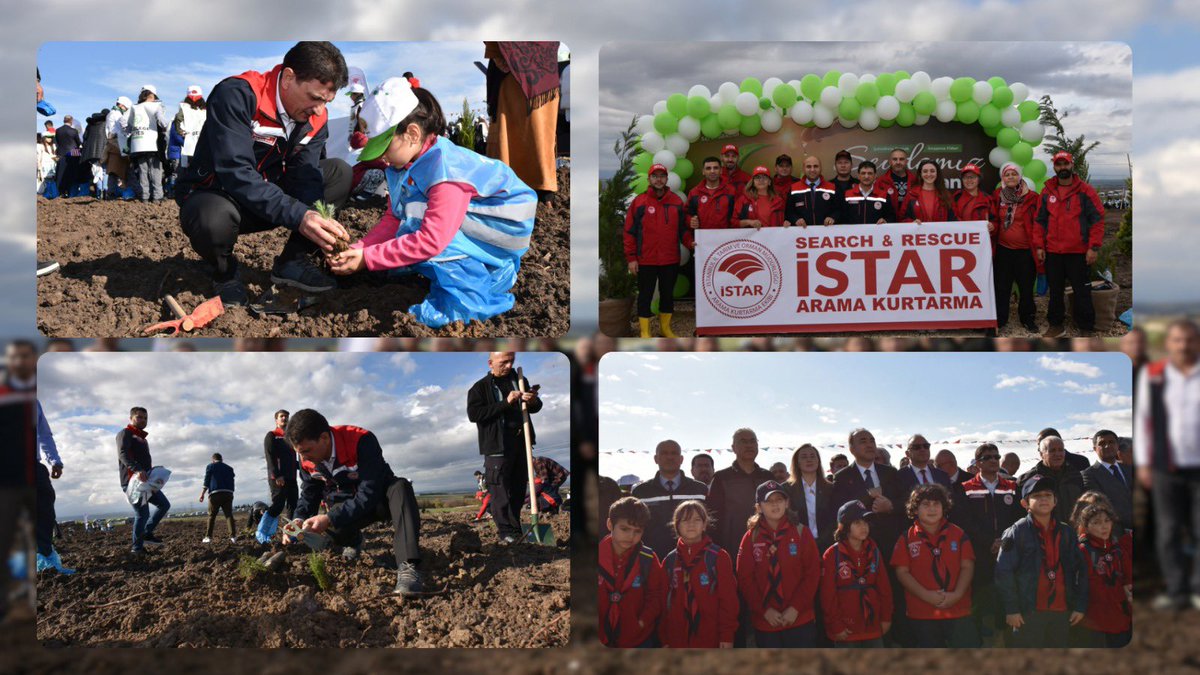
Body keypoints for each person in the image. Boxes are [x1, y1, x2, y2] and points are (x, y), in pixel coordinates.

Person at [329, 78, 538, 328]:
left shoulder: (445, 171)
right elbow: (394, 218)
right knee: (409, 227)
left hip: (501, 232)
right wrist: (361, 248)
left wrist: (368, 258)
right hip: (472, 225)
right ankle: (467, 263)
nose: (382, 157)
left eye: (384, 147)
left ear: (412, 134)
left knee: (430, 241)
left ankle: (467, 297)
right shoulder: (405, 165)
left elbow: (432, 240)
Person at [175, 41, 354, 305]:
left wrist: (320, 225)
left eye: (327, 101)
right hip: (220, 196)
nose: (319, 109)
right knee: (210, 218)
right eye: (315, 98)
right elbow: (236, 171)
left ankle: (293, 261)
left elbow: (305, 175)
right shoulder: (238, 95)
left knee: (338, 172)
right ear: (288, 78)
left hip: (268, 200)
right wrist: (299, 215)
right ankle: (224, 274)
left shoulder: (317, 117)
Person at [285, 408, 425, 595]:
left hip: (379, 499)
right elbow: (309, 493)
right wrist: (298, 519)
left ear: (324, 438)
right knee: (333, 529)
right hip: (346, 505)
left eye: (306, 451)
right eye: (299, 453)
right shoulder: (306, 458)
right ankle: (354, 541)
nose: (303, 458)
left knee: (401, 488)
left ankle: (408, 566)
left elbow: (369, 492)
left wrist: (331, 517)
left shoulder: (361, 440)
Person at [1136, 319, 1200, 610]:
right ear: (1168, 343)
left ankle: (1197, 590)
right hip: (1166, 467)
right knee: (1169, 531)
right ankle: (1176, 590)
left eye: (1189, 340)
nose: (1183, 346)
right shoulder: (1154, 375)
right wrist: (1144, 464)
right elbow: (1143, 420)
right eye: (1177, 340)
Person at [995, 474, 1088, 647]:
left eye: (1048, 495)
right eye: (1037, 496)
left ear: (1055, 501)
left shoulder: (1067, 532)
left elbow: (1081, 570)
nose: (1043, 499)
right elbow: (1004, 572)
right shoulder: (1017, 532)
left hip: (1062, 610)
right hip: (1029, 612)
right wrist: (1012, 609)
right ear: (1025, 503)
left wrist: (1080, 605)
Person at [467, 351, 542, 545]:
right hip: (497, 447)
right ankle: (505, 532)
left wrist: (533, 401)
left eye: (512, 361)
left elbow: (535, 407)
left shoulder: (519, 379)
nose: (509, 366)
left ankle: (515, 529)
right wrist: (506, 402)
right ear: (490, 363)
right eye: (504, 362)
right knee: (500, 492)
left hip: (521, 443)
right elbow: (475, 415)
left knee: (518, 489)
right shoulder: (479, 388)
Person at [891, 483, 978, 647]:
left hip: (957, 608)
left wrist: (957, 594)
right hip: (923, 612)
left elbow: (967, 566)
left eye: (936, 504)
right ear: (915, 509)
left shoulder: (958, 534)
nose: (932, 509)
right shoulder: (906, 538)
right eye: (926, 504)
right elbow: (902, 572)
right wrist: (926, 595)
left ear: (944, 507)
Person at [736, 480, 821, 647]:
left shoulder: (801, 532)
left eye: (779, 500)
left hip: (799, 618)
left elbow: (812, 573)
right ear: (759, 507)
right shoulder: (751, 538)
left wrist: (796, 607)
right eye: (769, 501)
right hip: (767, 621)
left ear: (787, 503)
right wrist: (764, 610)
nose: (775, 505)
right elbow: (745, 578)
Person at [1035, 151, 1106, 337]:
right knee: (1055, 292)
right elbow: (1039, 221)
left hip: (1078, 252)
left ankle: (1086, 328)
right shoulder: (1047, 191)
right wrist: (1039, 246)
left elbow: (1097, 219)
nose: (1062, 168)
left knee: (1082, 291)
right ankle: (1056, 325)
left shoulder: (1085, 190)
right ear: (1054, 167)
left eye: (1065, 164)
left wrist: (1093, 247)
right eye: (1058, 165)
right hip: (1053, 252)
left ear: (1072, 164)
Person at [958, 443, 1023, 643]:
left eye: (996, 456)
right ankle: (979, 640)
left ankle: (1004, 638)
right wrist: (989, 542)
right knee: (979, 598)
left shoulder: (1012, 486)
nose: (993, 460)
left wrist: (1004, 540)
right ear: (978, 463)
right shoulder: (966, 488)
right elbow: (965, 521)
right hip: (979, 553)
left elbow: (1018, 517)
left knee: (1005, 596)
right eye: (987, 457)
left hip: (1007, 550)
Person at [484, 41, 560, 202]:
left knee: (536, 130)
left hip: (524, 69)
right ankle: (542, 189)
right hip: (531, 70)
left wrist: (498, 54)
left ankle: (516, 188)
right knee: (536, 131)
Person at [624, 163, 692, 338]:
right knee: (645, 295)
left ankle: (665, 329)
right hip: (645, 259)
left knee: (667, 295)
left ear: (667, 179)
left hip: (670, 259)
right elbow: (629, 232)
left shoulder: (676, 202)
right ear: (649, 179)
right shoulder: (639, 202)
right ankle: (645, 331)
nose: (658, 179)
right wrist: (631, 258)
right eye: (655, 176)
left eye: (662, 176)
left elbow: (683, 230)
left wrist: (691, 243)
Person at [658, 500, 738, 648]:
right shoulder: (670, 561)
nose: (691, 524)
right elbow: (663, 603)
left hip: (711, 637)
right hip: (677, 639)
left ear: (704, 524)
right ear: (677, 525)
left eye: (697, 519)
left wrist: (727, 635)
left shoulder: (718, 557)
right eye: (685, 520)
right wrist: (664, 638)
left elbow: (729, 601)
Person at [820, 500, 893, 647]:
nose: (863, 527)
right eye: (857, 523)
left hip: (872, 626)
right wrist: (836, 625)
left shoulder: (874, 551)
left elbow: (884, 588)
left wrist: (886, 618)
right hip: (846, 629)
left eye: (865, 522)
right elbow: (827, 594)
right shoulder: (832, 554)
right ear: (844, 527)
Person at [598, 496, 665, 647]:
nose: (630, 536)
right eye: (624, 529)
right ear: (610, 524)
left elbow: (656, 596)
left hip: (638, 639)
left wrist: (641, 622)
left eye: (637, 531)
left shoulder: (648, 558)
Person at [830, 429, 903, 554]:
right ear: (852, 449)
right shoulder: (842, 477)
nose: (869, 445)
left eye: (872, 441)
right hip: (860, 546)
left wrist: (891, 506)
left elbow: (904, 501)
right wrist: (868, 494)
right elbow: (841, 510)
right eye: (863, 441)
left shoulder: (890, 472)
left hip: (892, 542)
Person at [631, 440, 708, 558]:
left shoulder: (700, 490)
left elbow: (708, 525)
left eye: (674, 453)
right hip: (653, 558)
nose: (669, 457)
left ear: (681, 459)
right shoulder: (641, 492)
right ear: (656, 459)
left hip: (694, 557)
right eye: (664, 453)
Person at [706, 428, 774, 557]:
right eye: (743, 441)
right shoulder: (721, 477)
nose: (749, 445)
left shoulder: (768, 477)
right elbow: (712, 516)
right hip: (732, 548)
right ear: (733, 448)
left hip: (767, 546)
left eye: (752, 441)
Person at [991, 162, 1042, 333]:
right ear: (1002, 178)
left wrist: (1039, 245)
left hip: (1025, 251)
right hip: (1003, 250)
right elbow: (994, 219)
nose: (1010, 177)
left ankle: (1027, 318)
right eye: (1007, 174)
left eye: (1014, 174)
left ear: (1020, 176)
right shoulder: (998, 195)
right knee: (1002, 287)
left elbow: (1039, 223)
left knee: (1026, 287)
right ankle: (1000, 319)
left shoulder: (1032, 197)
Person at [1074, 501, 1132, 647]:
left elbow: (1128, 579)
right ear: (1086, 527)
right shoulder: (1082, 551)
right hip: (1093, 621)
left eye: (1107, 521)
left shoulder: (1118, 550)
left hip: (1119, 618)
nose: (1104, 526)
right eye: (1097, 522)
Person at [116, 406, 170, 554]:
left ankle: (146, 533)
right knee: (142, 514)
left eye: (145, 418)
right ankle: (137, 548)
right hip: (132, 482)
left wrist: (152, 472)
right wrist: (137, 470)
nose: (143, 420)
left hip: (146, 482)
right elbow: (123, 454)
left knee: (164, 505)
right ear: (131, 418)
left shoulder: (142, 439)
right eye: (139, 417)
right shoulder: (125, 433)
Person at [1017, 435, 1086, 523]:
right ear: (1041, 454)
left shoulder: (1075, 475)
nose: (1057, 454)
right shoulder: (1028, 479)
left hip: (1074, 529)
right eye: (1052, 450)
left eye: (1061, 450)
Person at [783, 444, 835, 554]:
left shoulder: (831, 488)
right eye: (804, 457)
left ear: (818, 461)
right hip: (797, 545)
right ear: (797, 462)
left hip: (827, 545)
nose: (809, 459)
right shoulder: (786, 489)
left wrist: (822, 541)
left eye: (812, 456)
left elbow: (834, 519)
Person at [256, 409, 298, 543]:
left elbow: (293, 459)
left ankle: (291, 535)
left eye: (286, 417)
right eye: (282, 416)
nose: (285, 418)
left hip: (292, 477)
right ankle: (263, 534)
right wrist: (277, 475)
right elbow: (270, 457)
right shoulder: (272, 435)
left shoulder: (291, 438)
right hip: (278, 478)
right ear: (276, 420)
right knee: (278, 505)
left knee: (293, 505)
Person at [1080, 429, 1133, 532]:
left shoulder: (1129, 469)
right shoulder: (1089, 474)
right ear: (1095, 449)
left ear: (1117, 445)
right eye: (1102, 443)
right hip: (1116, 533)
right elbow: (1100, 507)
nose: (1107, 446)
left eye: (1111, 442)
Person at [125, 87, 169, 203]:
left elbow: (126, 124)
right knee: (156, 170)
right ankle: (157, 196)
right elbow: (162, 121)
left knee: (142, 171)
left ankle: (145, 196)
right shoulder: (156, 106)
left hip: (138, 144)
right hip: (152, 143)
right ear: (153, 95)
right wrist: (166, 127)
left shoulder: (134, 107)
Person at [784, 155, 839, 227]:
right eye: (808, 167)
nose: (812, 170)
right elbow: (789, 212)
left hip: (826, 232)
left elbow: (838, 210)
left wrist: (832, 217)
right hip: (802, 232)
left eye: (816, 166)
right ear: (804, 169)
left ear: (821, 168)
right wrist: (796, 219)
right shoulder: (794, 188)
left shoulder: (832, 187)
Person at [899, 159, 956, 225]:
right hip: (918, 231)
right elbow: (902, 219)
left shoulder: (946, 195)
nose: (929, 174)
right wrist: (911, 223)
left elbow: (954, 219)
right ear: (920, 174)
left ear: (937, 173)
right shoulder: (911, 195)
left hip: (940, 231)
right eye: (925, 171)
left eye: (932, 171)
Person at [686, 156, 736, 230]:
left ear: (721, 171)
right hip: (702, 235)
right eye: (708, 168)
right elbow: (686, 214)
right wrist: (690, 221)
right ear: (703, 171)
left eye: (715, 168)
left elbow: (737, 216)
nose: (712, 171)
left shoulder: (731, 191)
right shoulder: (694, 192)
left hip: (726, 235)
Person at [199, 453, 237, 544]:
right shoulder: (229, 468)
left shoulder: (210, 466)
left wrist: (202, 494)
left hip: (215, 494)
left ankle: (208, 537)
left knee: (211, 516)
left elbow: (207, 480)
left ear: (213, 460)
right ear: (222, 459)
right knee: (228, 515)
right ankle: (233, 537)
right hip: (228, 493)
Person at [103, 96, 132, 198]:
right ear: (122, 105)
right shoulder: (117, 114)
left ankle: (111, 193)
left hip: (113, 144)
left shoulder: (112, 113)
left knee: (113, 171)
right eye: (126, 108)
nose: (126, 110)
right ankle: (124, 193)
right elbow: (123, 128)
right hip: (118, 144)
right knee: (123, 170)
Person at [876, 147, 919, 216]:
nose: (898, 162)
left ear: (906, 161)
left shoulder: (915, 181)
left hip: (911, 221)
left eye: (901, 159)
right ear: (890, 161)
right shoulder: (881, 181)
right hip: (888, 220)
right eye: (895, 159)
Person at [175, 85, 207, 169]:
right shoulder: (205, 109)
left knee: (190, 167)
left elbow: (178, 119)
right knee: (202, 167)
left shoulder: (184, 108)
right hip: (204, 142)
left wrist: (180, 132)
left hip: (189, 143)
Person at [53, 114, 83, 197]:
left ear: (64, 120)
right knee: (72, 173)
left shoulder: (58, 130)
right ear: (71, 121)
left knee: (60, 173)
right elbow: (78, 142)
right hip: (74, 152)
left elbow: (57, 142)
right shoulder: (74, 131)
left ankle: (60, 191)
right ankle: (70, 192)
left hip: (61, 153)